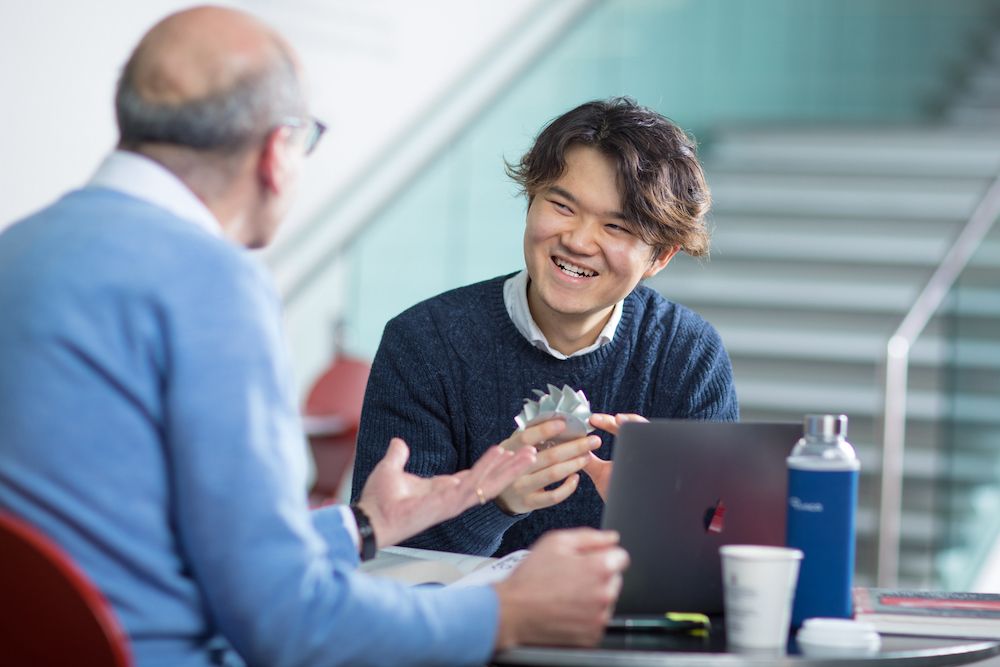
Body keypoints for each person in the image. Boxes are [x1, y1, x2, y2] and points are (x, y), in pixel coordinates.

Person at [0, 7, 629, 667]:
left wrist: (362, 526)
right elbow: (289, 623)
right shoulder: (214, 284)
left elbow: (162, 545)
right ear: (278, 152)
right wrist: (510, 610)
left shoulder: (19, 251)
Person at [352, 98, 739, 557]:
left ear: (661, 257)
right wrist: (494, 500)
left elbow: (722, 547)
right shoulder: (425, 343)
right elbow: (383, 551)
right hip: (472, 625)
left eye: (616, 226)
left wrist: (661, 515)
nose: (577, 241)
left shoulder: (688, 355)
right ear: (531, 199)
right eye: (561, 205)